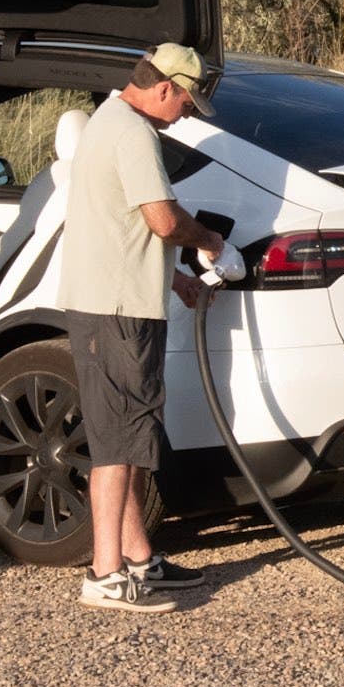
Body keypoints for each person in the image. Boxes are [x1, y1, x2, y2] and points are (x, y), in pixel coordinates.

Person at [59, 42, 227, 613]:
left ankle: (137, 557)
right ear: (163, 89)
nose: (185, 113)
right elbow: (159, 218)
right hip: (116, 311)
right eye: (186, 101)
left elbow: (122, 225)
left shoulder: (109, 121)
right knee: (117, 441)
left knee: (127, 434)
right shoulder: (132, 133)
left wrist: (176, 280)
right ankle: (105, 574)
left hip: (112, 302)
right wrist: (209, 241)